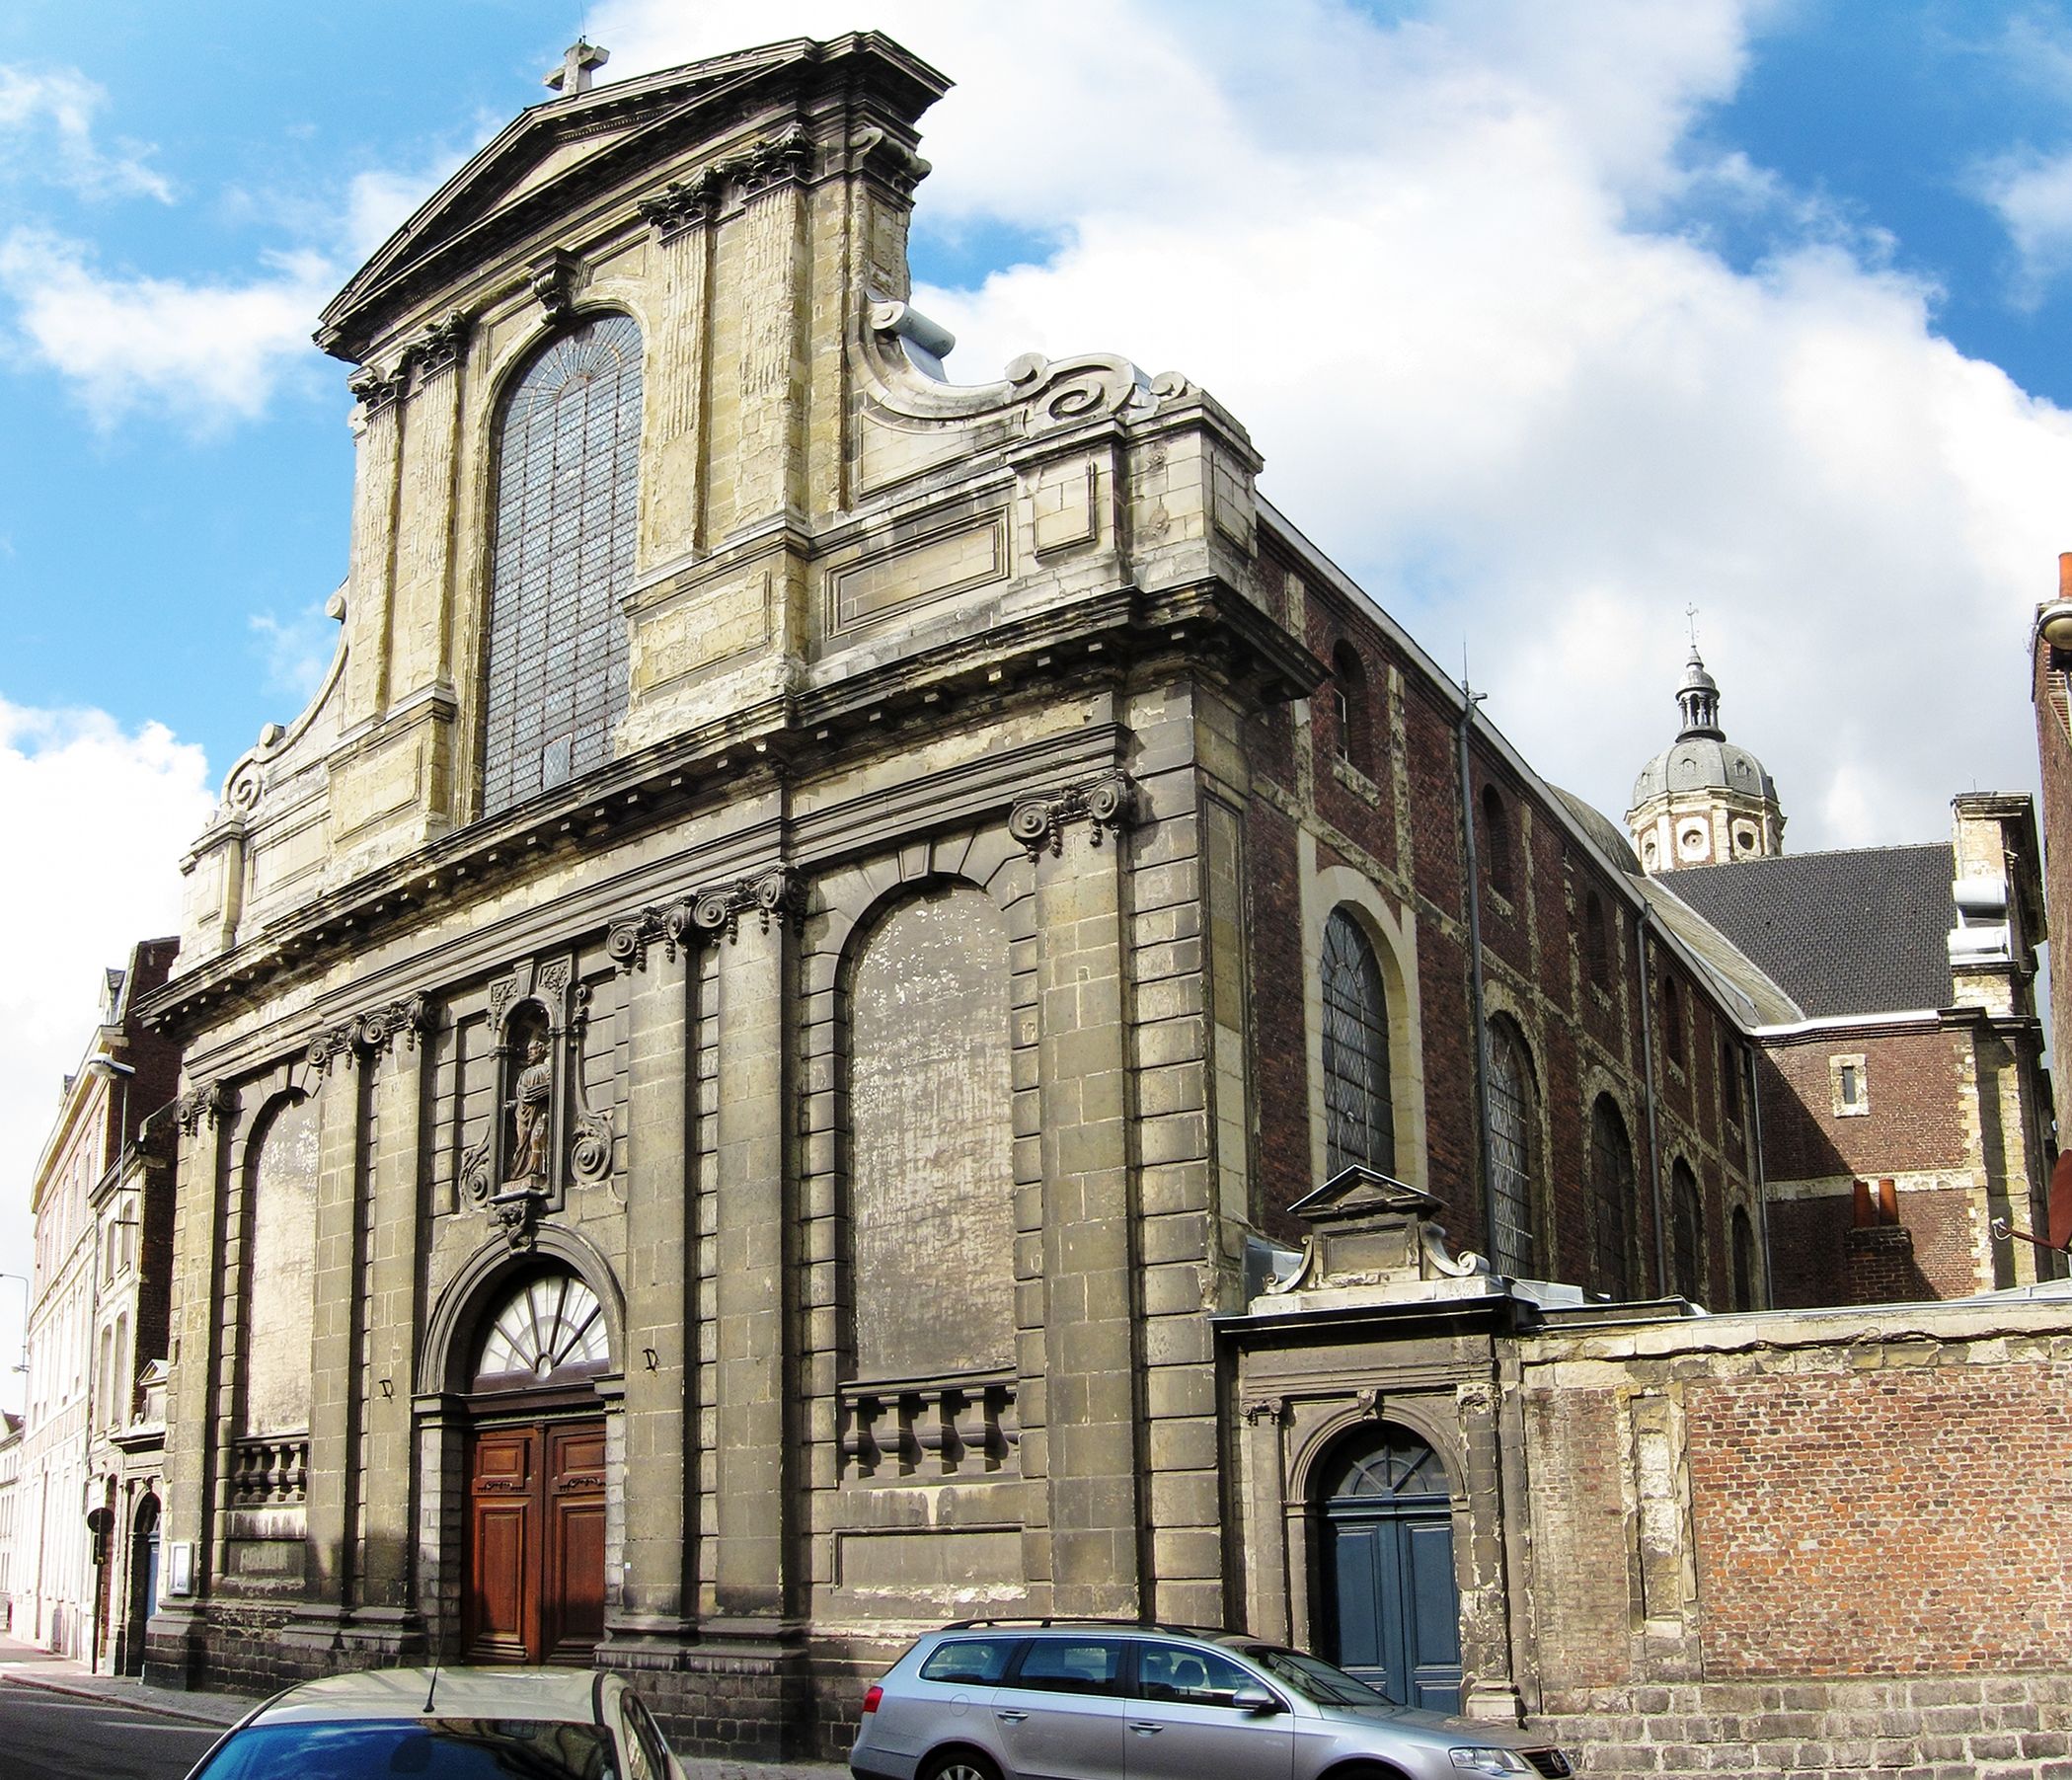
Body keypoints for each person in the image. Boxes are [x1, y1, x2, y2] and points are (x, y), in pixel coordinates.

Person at [506, 1034, 553, 1183]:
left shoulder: (546, 1070)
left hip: (539, 1112)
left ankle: (537, 1171)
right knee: (522, 1144)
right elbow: (521, 1096)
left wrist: (533, 1094)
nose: (529, 1053)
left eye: (532, 1050)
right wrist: (512, 1104)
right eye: (528, 1051)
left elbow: (551, 1087)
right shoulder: (524, 1074)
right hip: (522, 1114)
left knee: (536, 1139)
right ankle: (521, 1173)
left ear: (540, 1050)